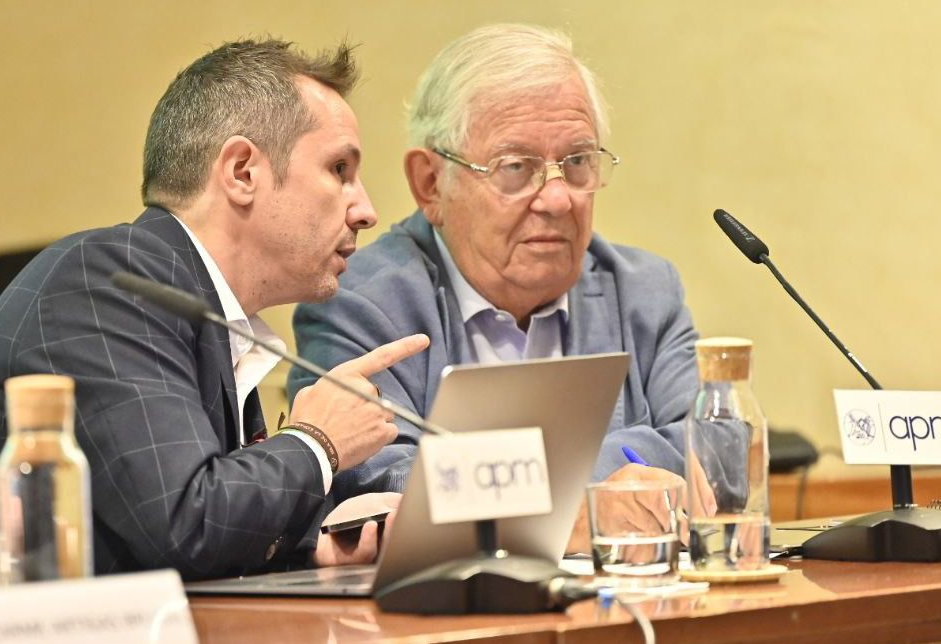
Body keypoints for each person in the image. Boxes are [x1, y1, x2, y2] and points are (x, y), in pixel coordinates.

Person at [0, 38, 429, 591]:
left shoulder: (198, 308)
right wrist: (318, 440)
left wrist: (312, 547)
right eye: (339, 169)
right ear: (242, 172)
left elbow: (192, 531)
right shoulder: (104, 280)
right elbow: (186, 524)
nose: (366, 210)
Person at [290, 24, 709, 552]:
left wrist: (487, 475)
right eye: (516, 167)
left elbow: (711, 450)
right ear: (430, 184)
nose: (558, 199)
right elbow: (383, 486)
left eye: (578, 162)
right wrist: (598, 489)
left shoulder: (644, 292)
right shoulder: (360, 305)